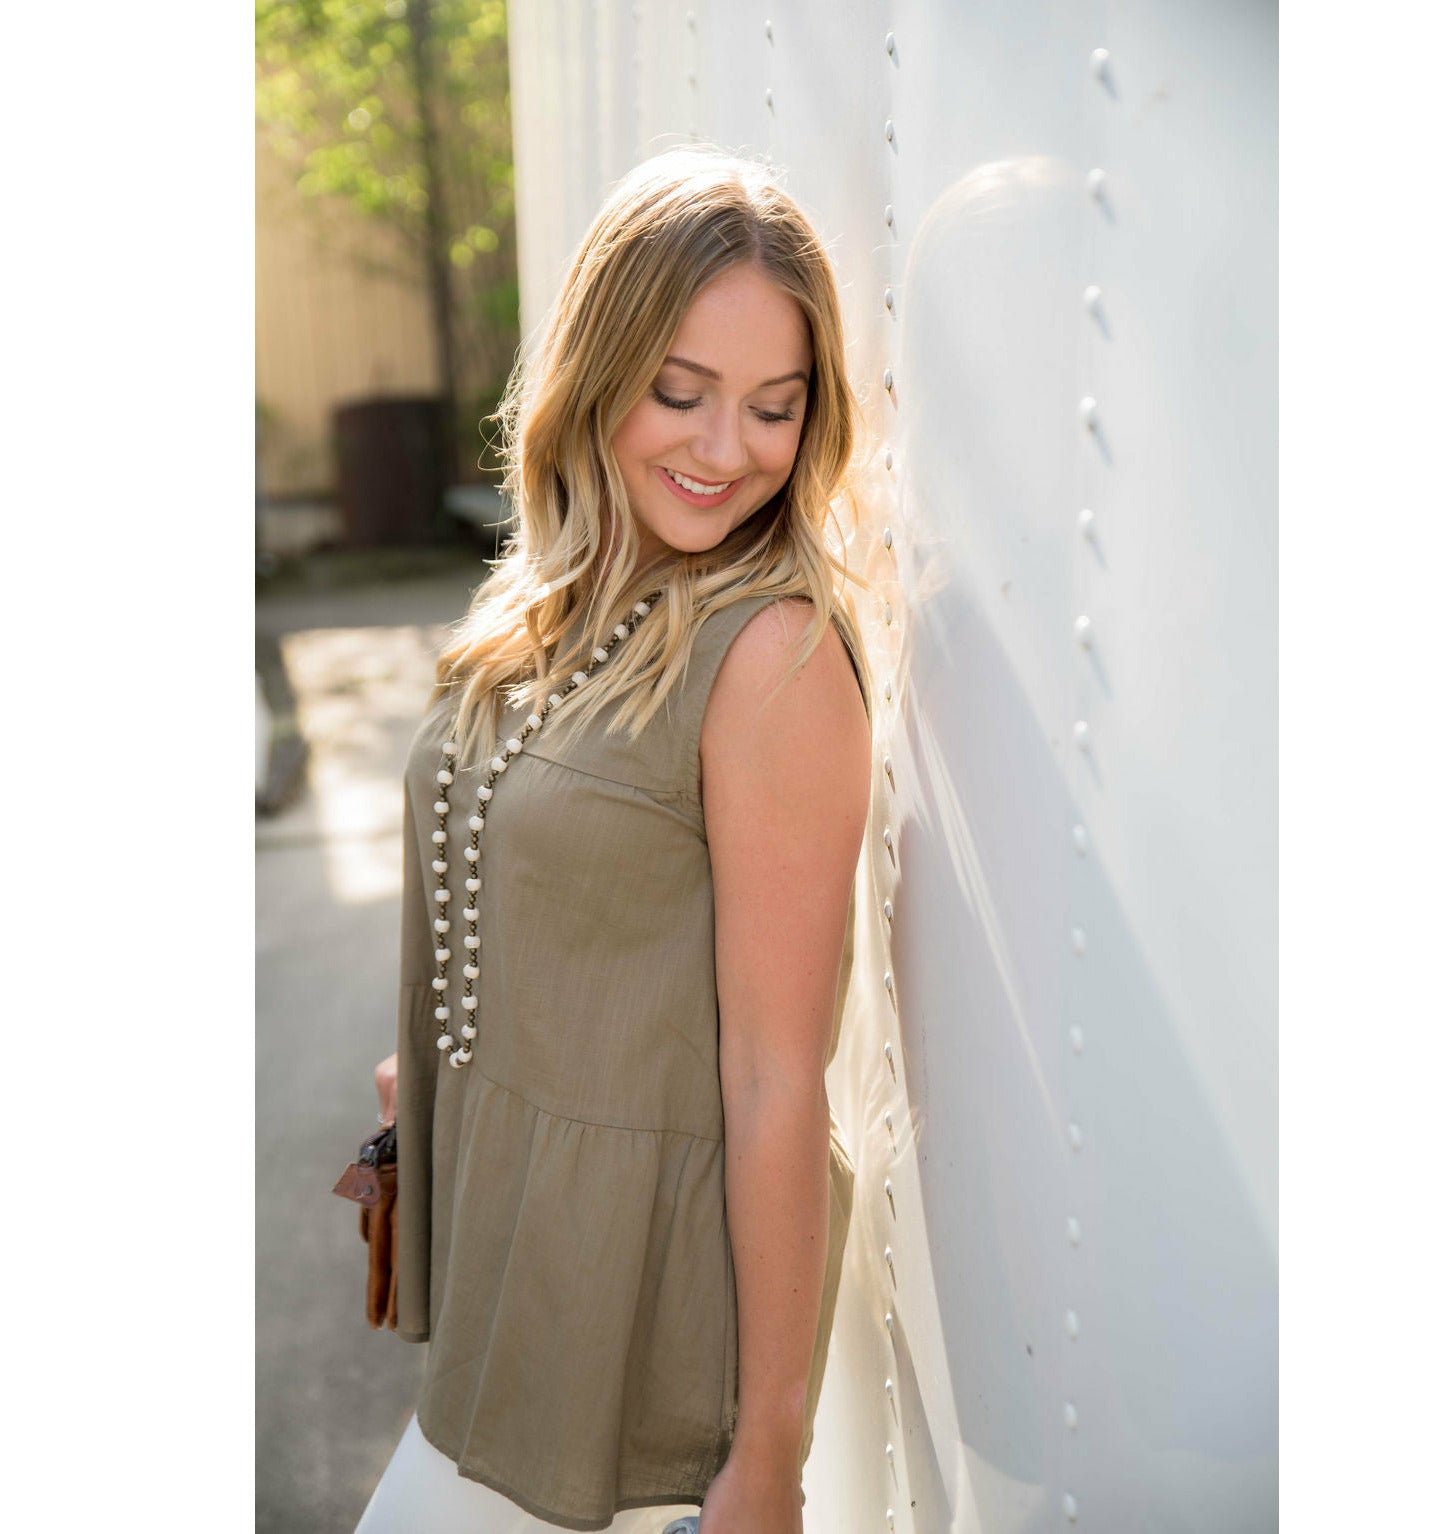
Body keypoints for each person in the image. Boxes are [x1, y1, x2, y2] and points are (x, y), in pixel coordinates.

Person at [355, 143, 875, 1534]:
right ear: (596, 370)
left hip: (635, 1370)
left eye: (774, 407)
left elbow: (777, 1077)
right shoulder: (560, 603)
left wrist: (769, 1460)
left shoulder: (768, 659)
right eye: (680, 392)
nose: (725, 450)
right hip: (507, 1305)